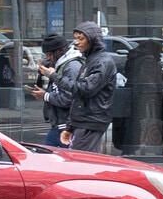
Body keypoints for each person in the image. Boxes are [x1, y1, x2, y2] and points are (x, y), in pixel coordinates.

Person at [48, 22, 118, 152]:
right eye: (75, 38)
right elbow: (78, 96)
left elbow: (86, 89)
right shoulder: (90, 60)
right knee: (83, 160)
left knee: (80, 160)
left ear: (92, 40)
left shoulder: (102, 61)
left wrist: (54, 76)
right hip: (84, 122)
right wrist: (70, 126)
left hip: (91, 121)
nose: (76, 42)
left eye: (81, 39)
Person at [27, 33, 80, 146]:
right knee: (47, 154)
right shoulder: (60, 65)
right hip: (59, 125)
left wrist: (45, 96)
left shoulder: (71, 68)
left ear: (60, 51)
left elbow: (69, 98)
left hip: (67, 127)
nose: (48, 58)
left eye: (49, 54)